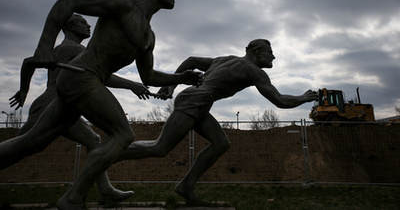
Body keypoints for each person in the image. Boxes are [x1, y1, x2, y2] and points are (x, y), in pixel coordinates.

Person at [0, 0, 203, 209]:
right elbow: (67, 2)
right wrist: (44, 47)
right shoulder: (122, 6)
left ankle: (90, 194)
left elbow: (148, 76)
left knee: (32, 142)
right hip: (83, 75)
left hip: (81, 81)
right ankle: (73, 198)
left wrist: (181, 77)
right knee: (123, 134)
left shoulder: (149, 36)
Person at [117, 39, 318, 204]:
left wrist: (171, 86)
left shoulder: (225, 59)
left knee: (221, 143)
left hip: (198, 102)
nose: (273, 56)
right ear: (257, 52)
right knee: (159, 148)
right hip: (195, 101)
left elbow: (190, 61)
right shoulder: (254, 71)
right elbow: (280, 100)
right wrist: (303, 98)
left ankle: (186, 187)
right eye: (270, 51)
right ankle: (107, 153)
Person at [8, 14, 151, 205]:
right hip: (50, 103)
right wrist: (131, 84)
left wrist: (24, 89)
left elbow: (28, 64)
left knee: (92, 139)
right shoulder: (72, 49)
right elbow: (101, 76)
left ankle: (106, 192)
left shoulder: (68, 49)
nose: (88, 25)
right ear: (70, 27)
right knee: (21, 147)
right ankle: (103, 192)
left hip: (65, 103)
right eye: (83, 23)